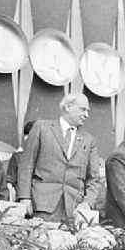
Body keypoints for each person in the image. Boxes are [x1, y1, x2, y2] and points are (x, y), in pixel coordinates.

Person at [16, 93, 103, 222]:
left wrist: (87, 203)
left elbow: (94, 179)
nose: (86, 115)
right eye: (83, 109)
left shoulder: (89, 140)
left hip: (73, 211)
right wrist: (24, 197)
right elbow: (26, 165)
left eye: (87, 111)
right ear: (68, 107)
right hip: (41, 206)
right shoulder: (41, 128)